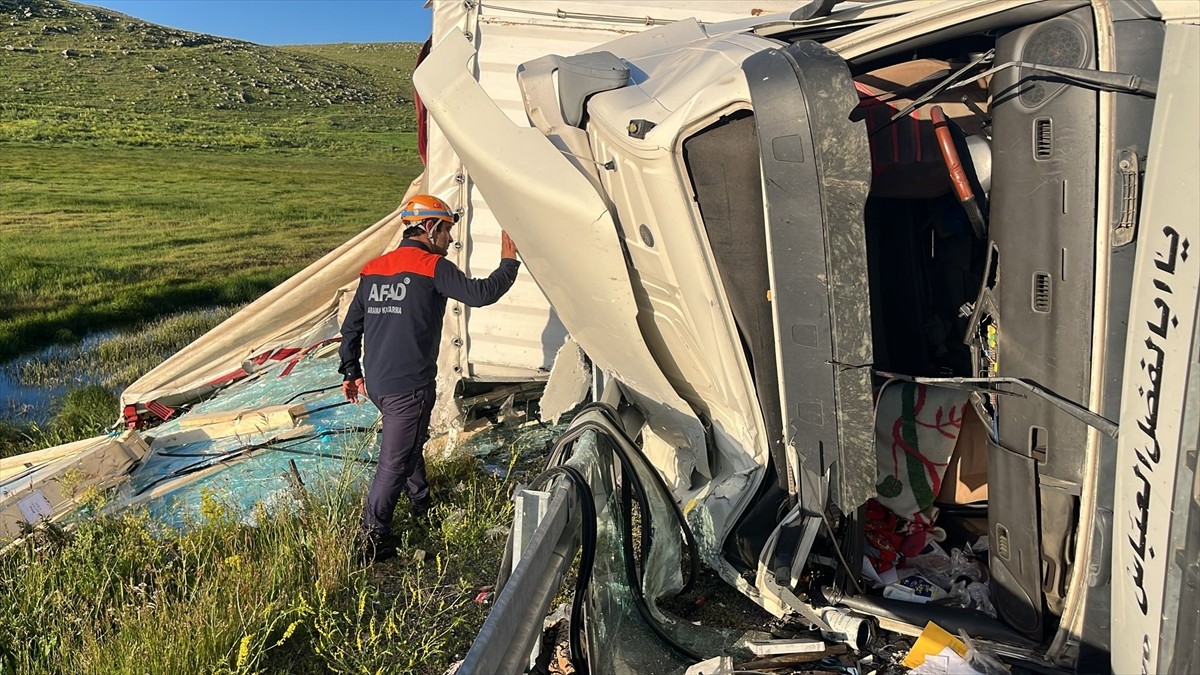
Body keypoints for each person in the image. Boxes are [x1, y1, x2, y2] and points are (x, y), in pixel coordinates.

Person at [338, 193, 520, 560]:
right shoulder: (432, 267)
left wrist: (350, 371)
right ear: (431, 227)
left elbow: (351, 327)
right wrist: (508, 261)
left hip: (379, 383)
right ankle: (372, 540)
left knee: (410, 442)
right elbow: (482, 294)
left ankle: (421, 502)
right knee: (394, 462)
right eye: (448, 230)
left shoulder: (374, 269)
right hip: (409, 387)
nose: (451, 240)